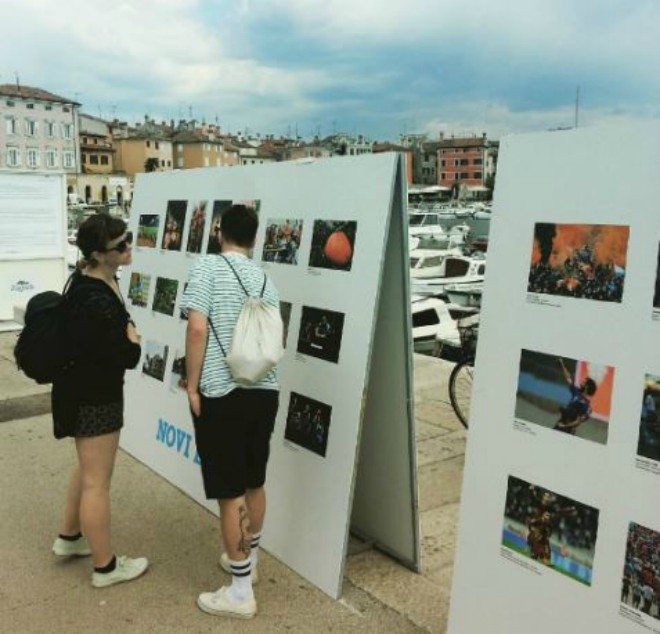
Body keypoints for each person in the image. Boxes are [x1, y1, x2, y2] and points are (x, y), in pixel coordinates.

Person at [182, 204, 280, 619]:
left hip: (223, 392)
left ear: (219, 232)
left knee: (229, 491)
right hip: (264, 390)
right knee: (254, 481)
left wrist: (192, 382)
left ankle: (240, 592)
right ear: (254, 238)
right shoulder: (264, 277)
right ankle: (249, 567)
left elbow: (197, 327)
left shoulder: (207, 267)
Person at [51, 213, 149, 588]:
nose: (128, 247)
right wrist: (133, 341)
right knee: (97, 481)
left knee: (86, 468)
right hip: (96, 398)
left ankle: (70, 537)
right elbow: (124, 355)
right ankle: (106, 566)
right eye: (120, 245)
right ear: (98, 253)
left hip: (82, 391)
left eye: (128, 238)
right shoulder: (95, 298)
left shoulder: (86, 280)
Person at [553, 358, 597, 435]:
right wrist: (562, 364)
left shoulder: (585, 404)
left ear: (587, 387)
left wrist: (565, 426)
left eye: (583, 382)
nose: (581, 382)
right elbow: (568, 378)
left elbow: (578, 422)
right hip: (560, 423)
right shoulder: (576, 392)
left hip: (567, 430)